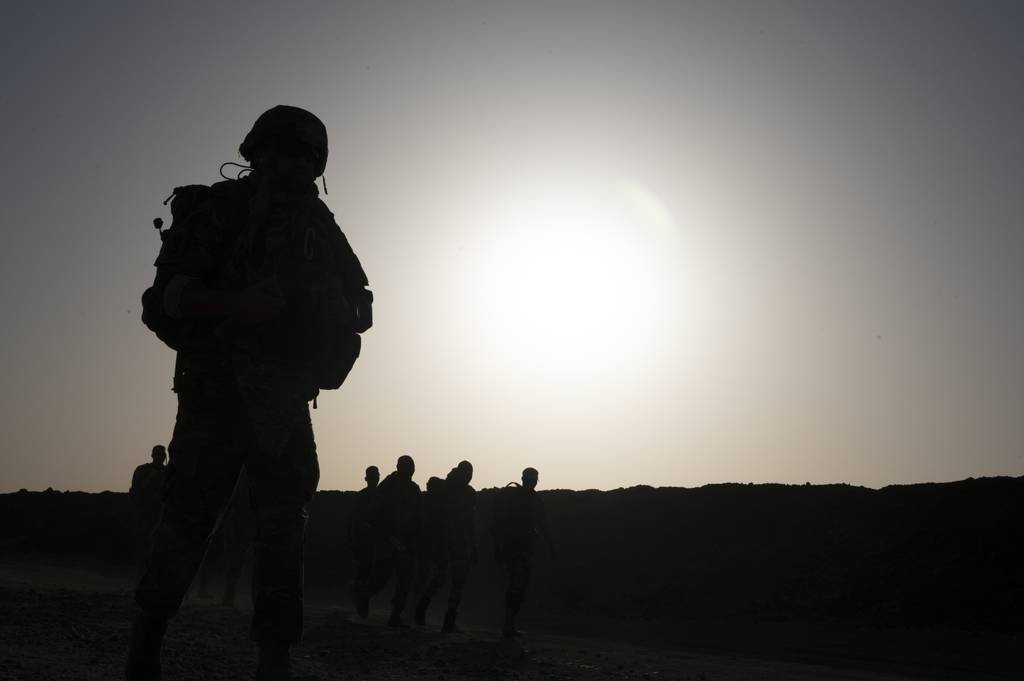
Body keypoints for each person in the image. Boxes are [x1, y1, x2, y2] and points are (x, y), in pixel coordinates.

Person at [128, 105, 373, 681]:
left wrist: (324, 312)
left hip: (283, 401)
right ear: (255, 152)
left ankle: (273, 657)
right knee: (190, 517)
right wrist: (236, 306)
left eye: (299, 159)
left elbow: (362, 303)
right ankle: (146, 643)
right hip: (215, 390)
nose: (286, 168)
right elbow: (162, 298)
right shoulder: (216, 211)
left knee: (284, 526)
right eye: (278, 154)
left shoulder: (320, 227)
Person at [492, 467, 555, 638]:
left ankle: (509, 623)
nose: (533, 482)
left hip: (523, 549)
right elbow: (502, 524)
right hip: (516, 548)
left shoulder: (531, 500)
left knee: (519, 585)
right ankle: (508, 624)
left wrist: (551, 546)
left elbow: (542, 524)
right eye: (532, 479)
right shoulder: (519, 499)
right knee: (516, 585)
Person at [415, 460, 476, 632]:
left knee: (450, 580)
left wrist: (472, 544)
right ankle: (436, 614)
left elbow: (469, 521)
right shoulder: (453, 491)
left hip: (452, 541)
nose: (469, 478)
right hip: (448, 541)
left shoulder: (455, 491)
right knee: (449, 580)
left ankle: (438, 614)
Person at [364, 455, 420, 626]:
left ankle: (395, 615)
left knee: (404, 580)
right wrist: (386, 534)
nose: (410, 470)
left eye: (412, 467)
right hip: (387, 539)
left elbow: (418, 516)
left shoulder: (413, 489)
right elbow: (374, 513)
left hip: (405, 541)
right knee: (381, 577)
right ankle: (362, 595)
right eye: (407, 467)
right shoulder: (388, 487)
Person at [129, 445, 167, 577]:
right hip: (145, 514)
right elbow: (135, 491)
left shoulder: (167, 473)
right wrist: (150, 479)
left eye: (162, 455)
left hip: (161, 514)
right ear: (152, 455)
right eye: (158, 455)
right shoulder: (142, 470)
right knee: (143, 546)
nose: (160, 458)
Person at [347, 465, 379, 616]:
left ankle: (361, 601)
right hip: (365, 541)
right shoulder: (365, 497)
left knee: (369, 575)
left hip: (373, 541)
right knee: (364, 574)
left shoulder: (378, 496)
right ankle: (362, 604)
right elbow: (354, 520)